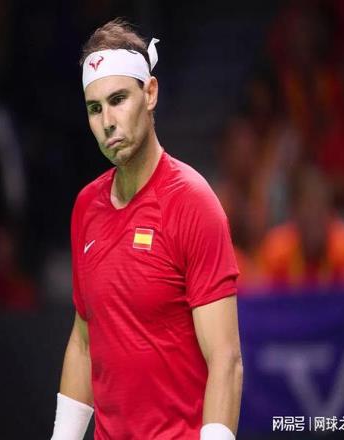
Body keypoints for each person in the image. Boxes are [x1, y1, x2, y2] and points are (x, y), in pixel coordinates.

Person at [51, 19, 242, 440]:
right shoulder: (85, 207)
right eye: (95, 108)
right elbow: (84, 341)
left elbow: (225, 359)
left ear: (150, 93)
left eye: (118, 99)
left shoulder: (193, 202)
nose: (107, 121)